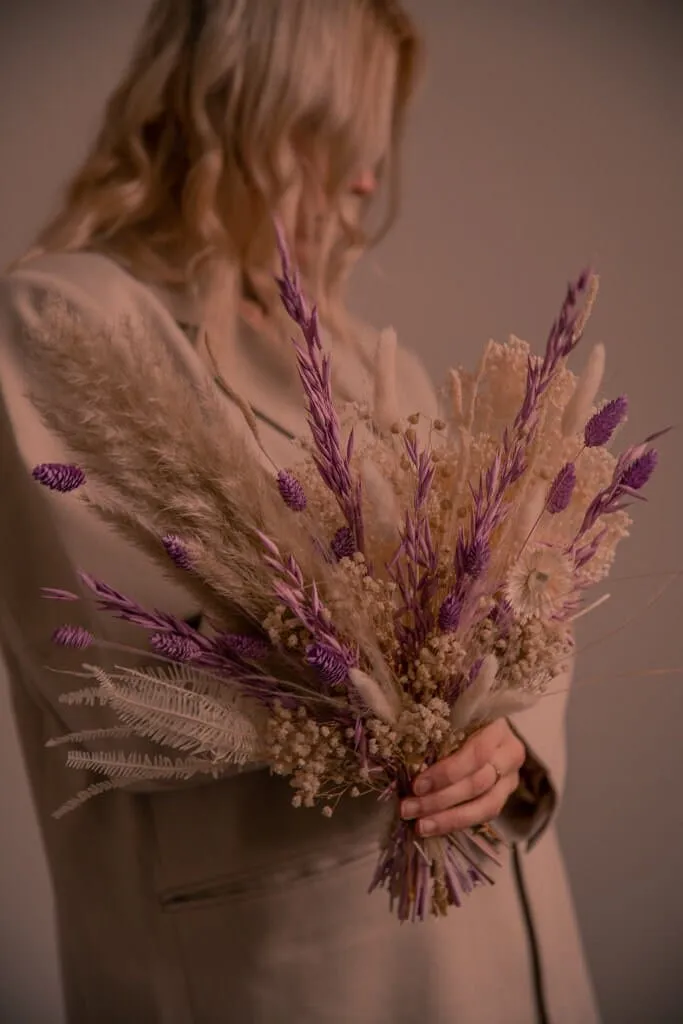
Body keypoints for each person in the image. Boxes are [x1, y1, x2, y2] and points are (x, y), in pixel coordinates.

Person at [0, 2, 601, 1022]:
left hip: (513, 934)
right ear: (245, 107)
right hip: (294, 969)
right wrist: (432, 684)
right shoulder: (63, 321)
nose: (370, 181)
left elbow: (507, 606)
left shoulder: (374, 359)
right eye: (343, 139)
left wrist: (512, 740)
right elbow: (135, 672)